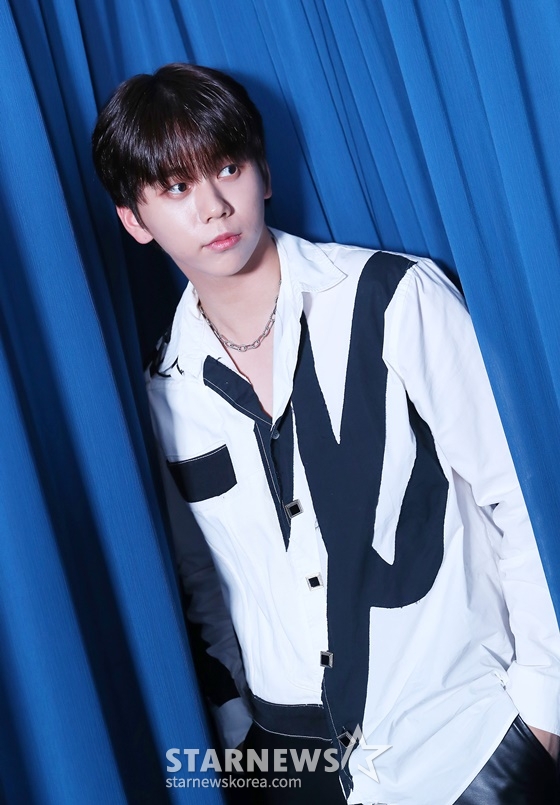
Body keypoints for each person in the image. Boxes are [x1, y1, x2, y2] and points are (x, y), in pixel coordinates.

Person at [91, 62, 560, 804]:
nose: (213, 207)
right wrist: (239, 735)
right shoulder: (163, 390)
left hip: (467, 748)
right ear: (135, 220)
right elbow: (202, 583)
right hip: (290, 770)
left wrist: (543, 713)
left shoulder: (393, 299)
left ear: (264, 173)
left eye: (228, 167)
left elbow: (519, 496)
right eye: (175, 187)